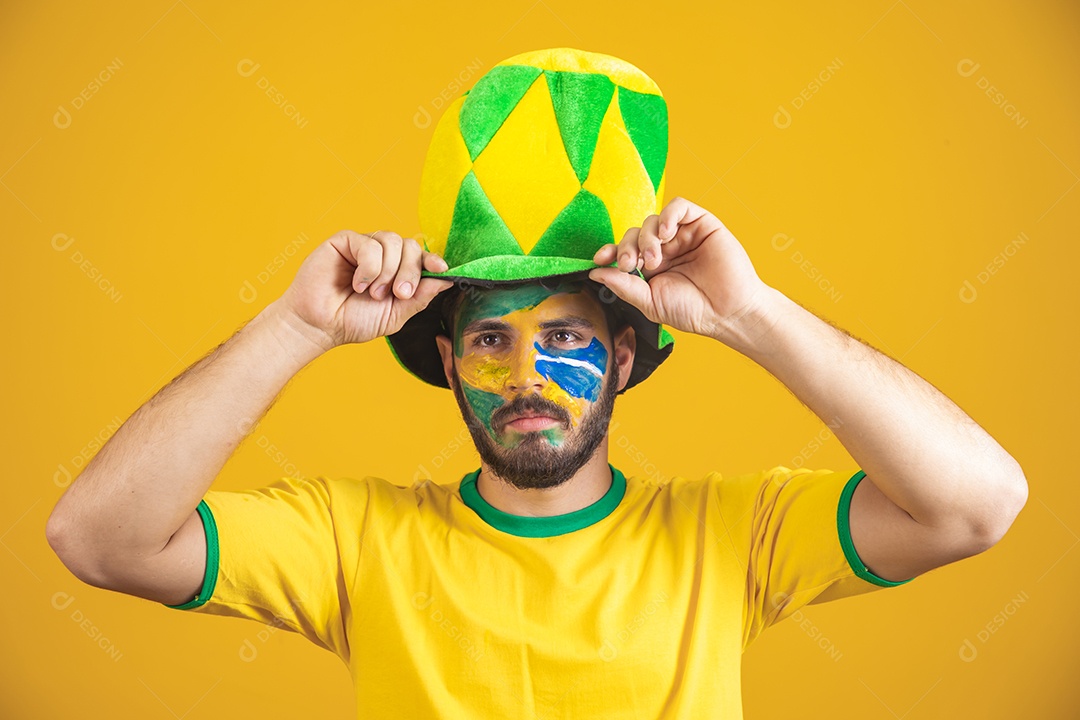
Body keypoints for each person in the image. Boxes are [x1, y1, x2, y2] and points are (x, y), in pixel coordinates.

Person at [45, 48, 1027, 719]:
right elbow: (97, 538)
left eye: (565, 337)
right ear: (445, 362)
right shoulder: (356, 544)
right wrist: (294, 325)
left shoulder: (733, 541)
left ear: (626, 360)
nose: (526, 376)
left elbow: (977, 505)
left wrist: (750, 315)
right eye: (490, 343)